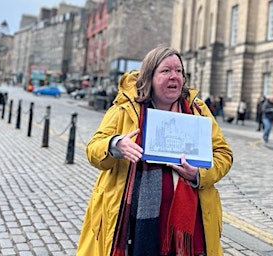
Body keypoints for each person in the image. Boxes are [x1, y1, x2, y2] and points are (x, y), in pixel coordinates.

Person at [77, 46, 233, 256]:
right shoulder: (125, 108)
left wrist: (198, 174)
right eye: (166, 71)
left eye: (179, 71)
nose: (174, 76)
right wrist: (115, 145)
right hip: (134, 224)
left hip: (187, 227)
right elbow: (93, 149)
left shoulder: (198, 111)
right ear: (149, 76)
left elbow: (223, 154)